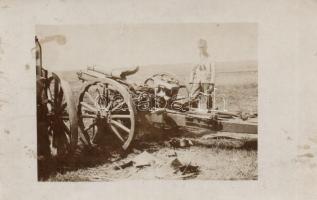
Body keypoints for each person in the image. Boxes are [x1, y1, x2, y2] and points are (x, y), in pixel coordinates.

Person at [189, 39, 216, 110]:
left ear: (206, 47)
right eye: (200, 47)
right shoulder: (196, 58)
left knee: (207, 96)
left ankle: (209, 112)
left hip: (206, 81)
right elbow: (192, 69)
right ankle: (192, 111)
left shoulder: (210, 58)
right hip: (197, 80)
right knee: (193, 96)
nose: (201, 49)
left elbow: (213, 71)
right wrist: (191, 80)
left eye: (203, 47)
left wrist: (212, 83)